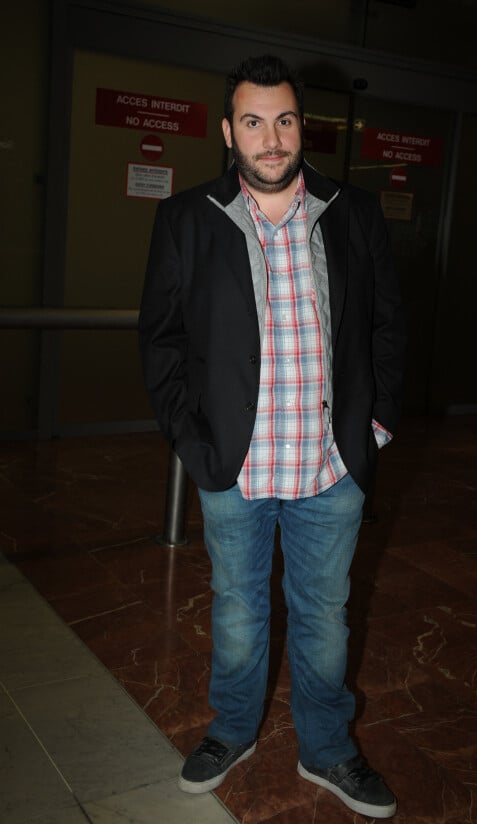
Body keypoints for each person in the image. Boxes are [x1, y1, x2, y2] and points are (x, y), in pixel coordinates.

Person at [138, 54, 405, 820]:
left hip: (329, 468)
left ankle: (327, 749)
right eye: (253, 122)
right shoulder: (187, 219)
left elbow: (388, 325)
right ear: (229, 132)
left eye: (284, 120)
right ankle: (232, 729)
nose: (272, 137)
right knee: (237, 608)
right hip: (235, 469)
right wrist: (191, 441)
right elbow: (160, 341)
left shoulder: (352, 212)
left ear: (302, 126)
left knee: (324, 615)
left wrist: (376, 427)